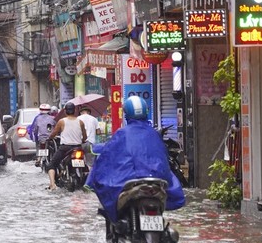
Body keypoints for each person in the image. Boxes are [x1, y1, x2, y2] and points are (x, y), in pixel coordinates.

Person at [85, 96, 185, 224]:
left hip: (129, 180)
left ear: (126, 114)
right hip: (157, 180)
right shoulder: (154, 134)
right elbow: (164, 157)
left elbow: (108, 157)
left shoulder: (122, 133)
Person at [46, 102, 87, 190]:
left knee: (51, 165)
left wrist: (49, 138)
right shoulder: (80, 122)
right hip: (78, 147)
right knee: (86, 165)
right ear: (75, 111)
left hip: (65, 148)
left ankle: (52, 184)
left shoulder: (61, 121)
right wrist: (83, 140)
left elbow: (54, 133)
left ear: (65, 111)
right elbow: (85, 136)